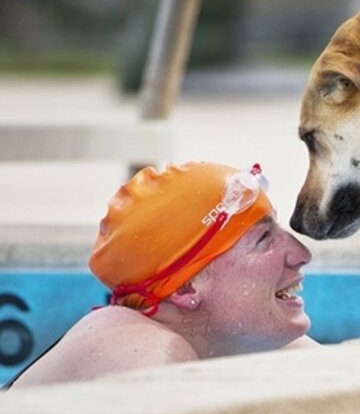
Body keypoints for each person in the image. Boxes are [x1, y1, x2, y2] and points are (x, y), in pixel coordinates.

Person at [6, 161, 315, 389]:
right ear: (186, 288)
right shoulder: (143, 354)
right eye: (263, 240)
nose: (302, 255)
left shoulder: (263, 343)